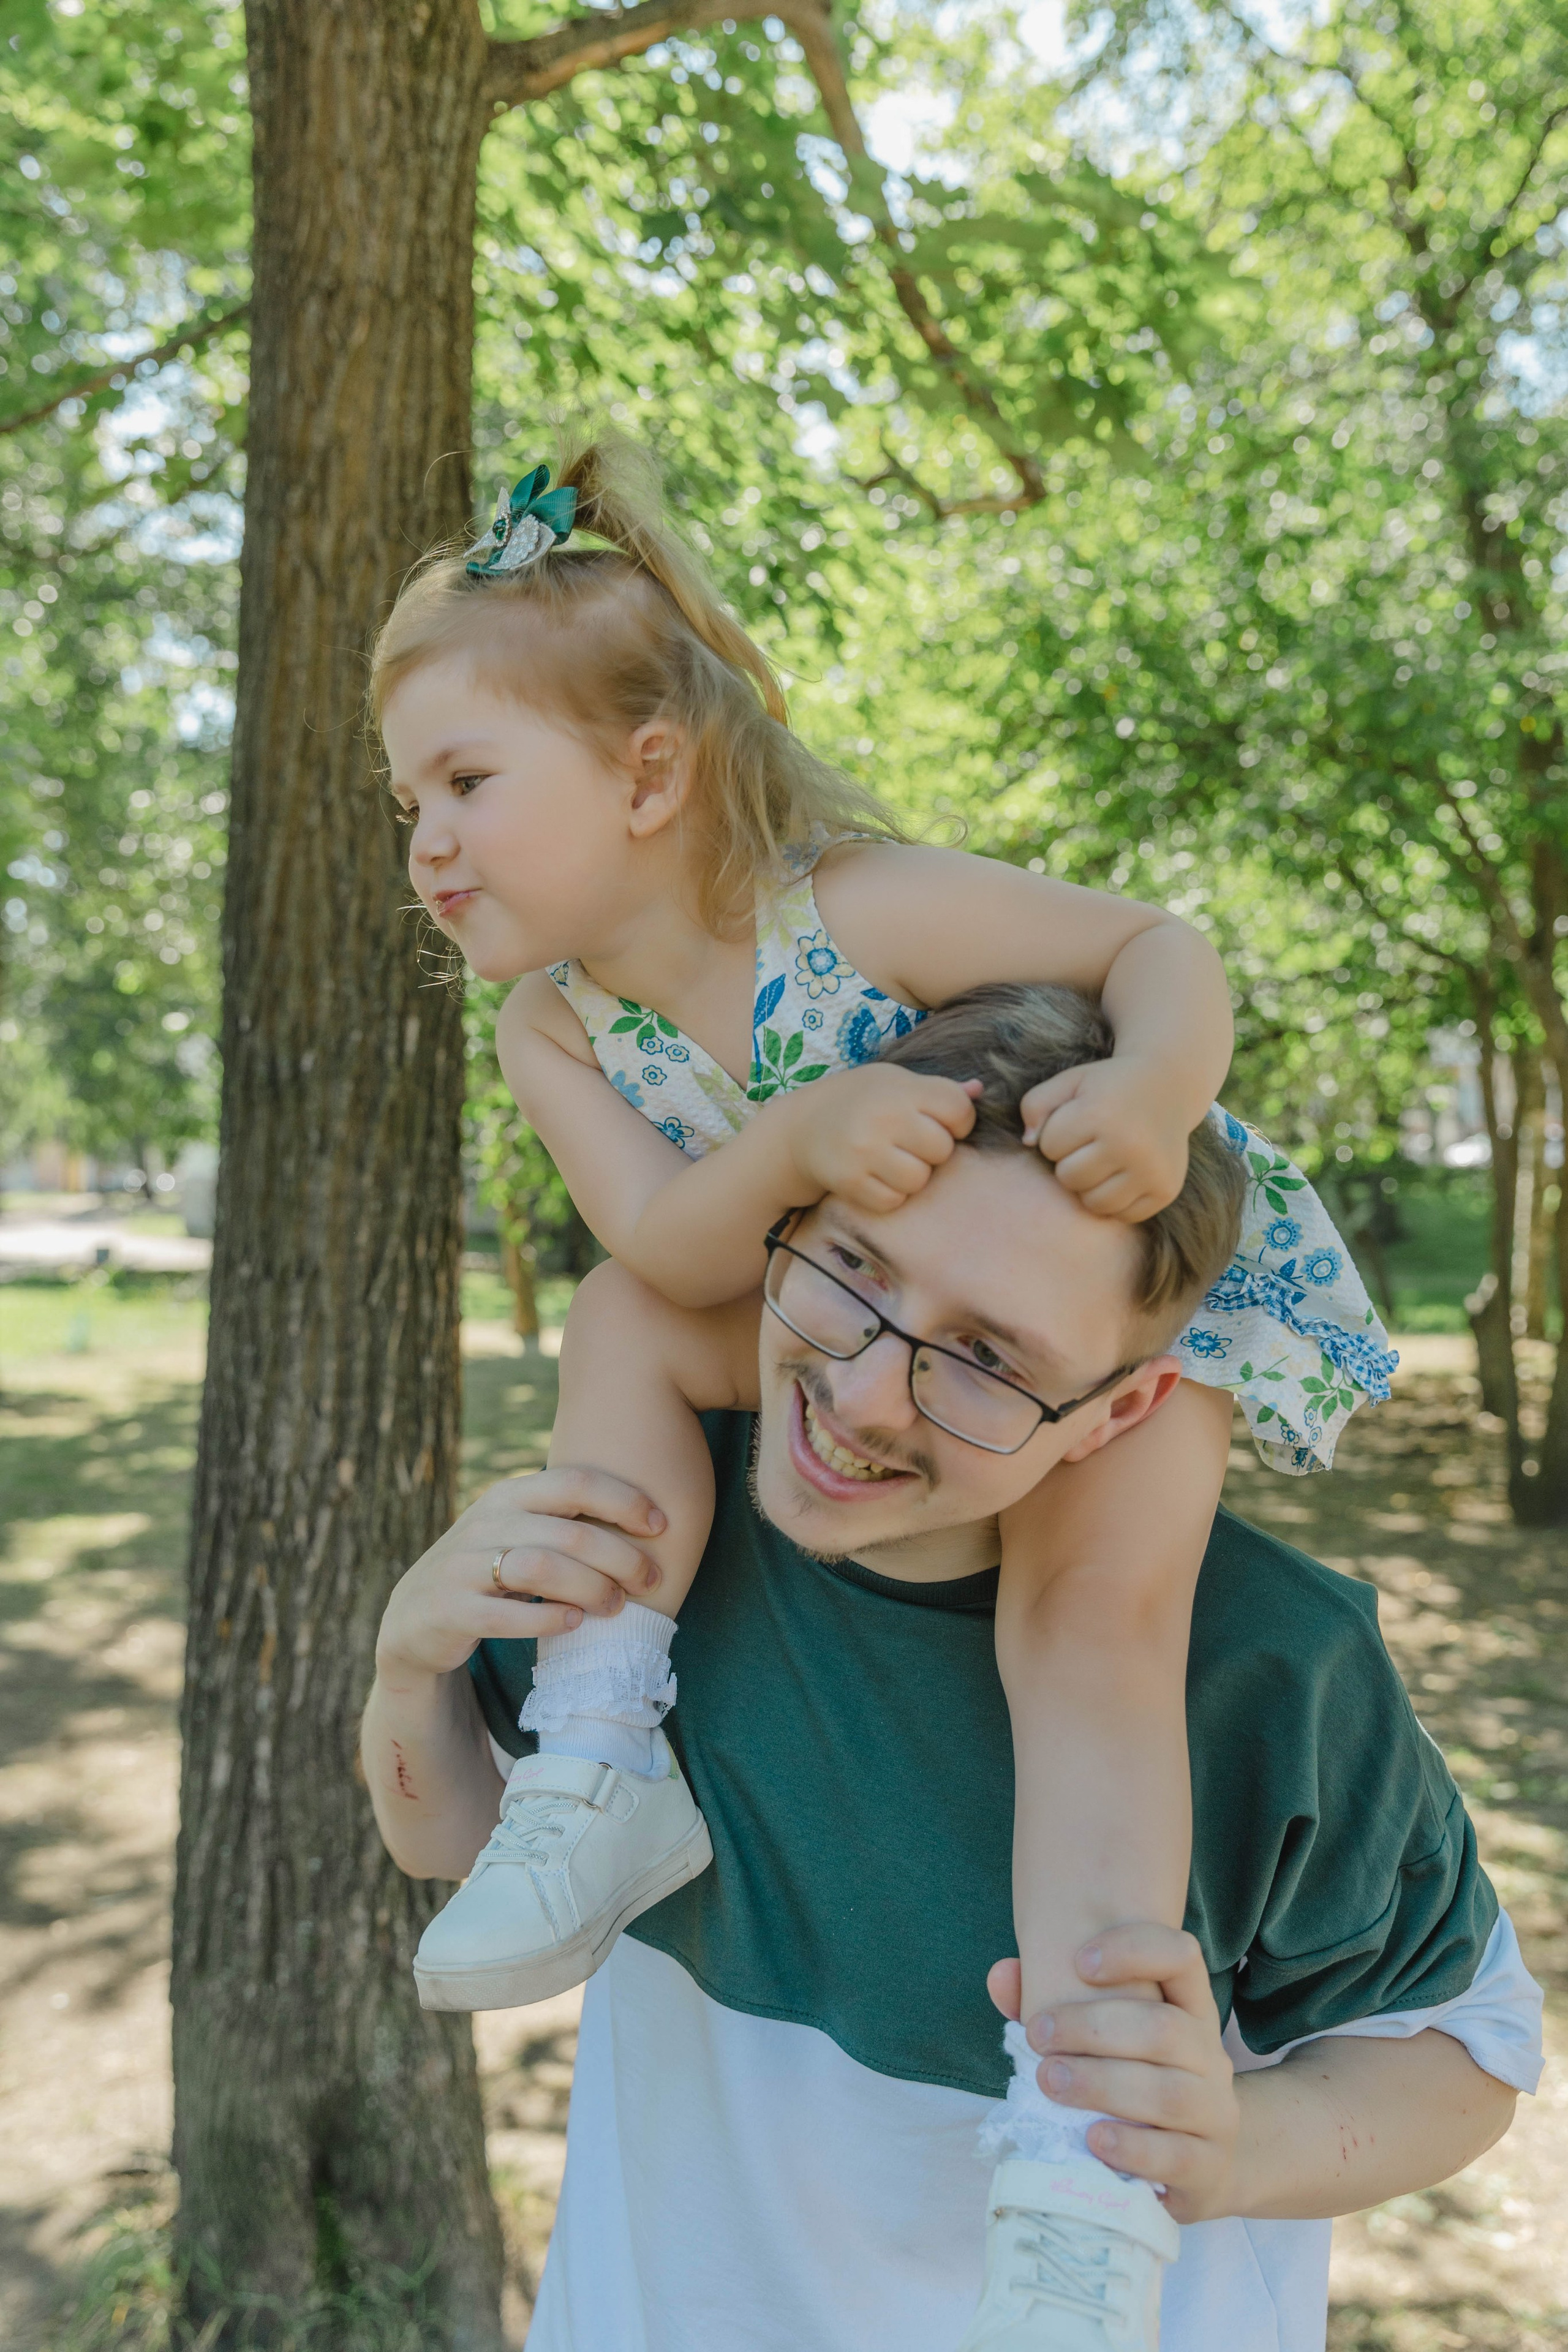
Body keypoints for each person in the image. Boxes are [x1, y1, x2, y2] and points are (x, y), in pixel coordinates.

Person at [370, 439, 1395, 2336]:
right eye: (408, 796)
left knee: (1091, 1625)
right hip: (823, 1290)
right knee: (611, 1327)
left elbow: (1153, 949)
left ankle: (1080, 2143)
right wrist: (809, 1144)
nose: (424, 839)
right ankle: (602, 1750)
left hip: (1112, 1286)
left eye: (466, 782)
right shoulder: (548, 1027)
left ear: (648, 773)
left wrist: (1157, 1099)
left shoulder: (845, 909)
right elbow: (676, 1261)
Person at [362, 984, 1540, 2352]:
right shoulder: (654, 1537)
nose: (861, 1396)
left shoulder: (1270, 1668)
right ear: (779, 1225)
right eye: (854, 1272)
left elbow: (1467, 2059)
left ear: (1118, 1410)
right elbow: (450, 1837)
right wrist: (411, 1675)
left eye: (985, 1357)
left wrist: (1234, 2150)